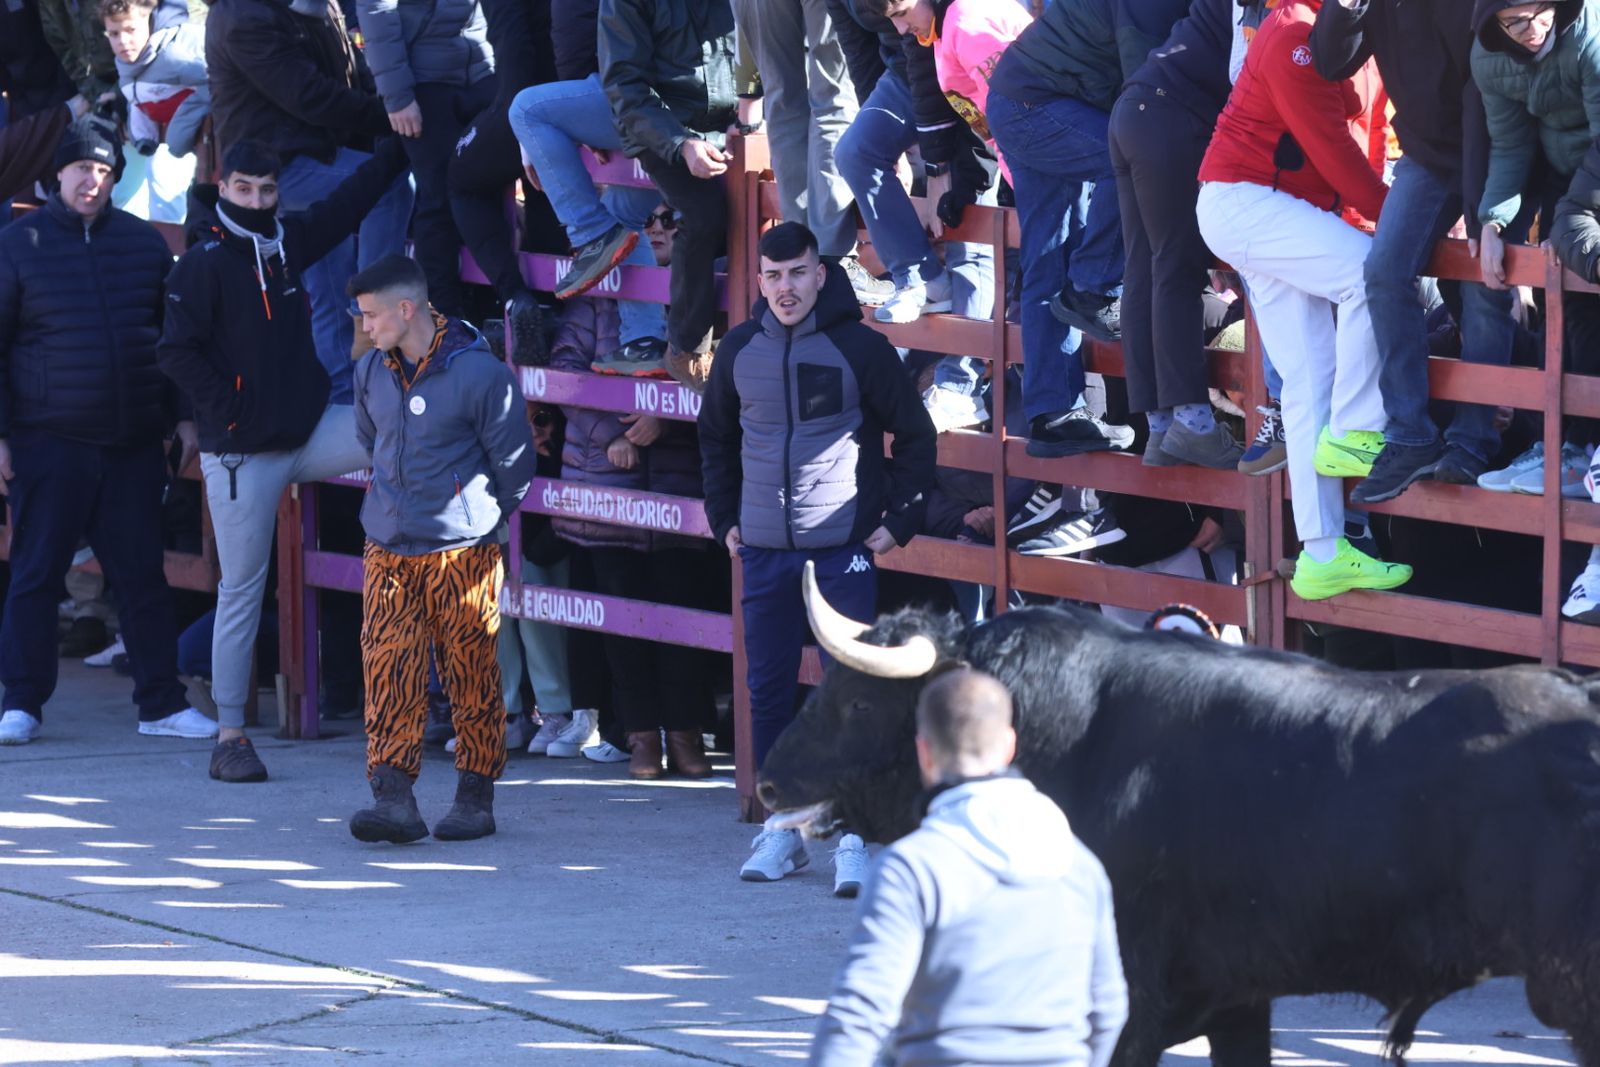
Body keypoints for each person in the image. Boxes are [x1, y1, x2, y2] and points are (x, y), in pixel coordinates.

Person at [157, 137, 409, 782]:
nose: (257, 200)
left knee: (405, 428)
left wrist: (398, 149)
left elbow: (347, 205)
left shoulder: (286, 241)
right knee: (242, 590)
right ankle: (231, 735)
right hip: (241, 454)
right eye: (244, 189)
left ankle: (433, 560)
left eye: (267, 190)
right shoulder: (201, 263)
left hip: (308, 432)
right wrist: (232, 413)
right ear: (222, 186)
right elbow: (175, 352)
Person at [700, 221, 936, 890]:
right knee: (768, 691)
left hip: (841, 550)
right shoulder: (738, 349)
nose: (786, 288)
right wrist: (724, 520)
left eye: (798, 273)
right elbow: (714, 439)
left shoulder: (862, 348)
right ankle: (785, 830)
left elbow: (916, 437)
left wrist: (900, 522)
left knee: (851, 695)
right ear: (759, 280)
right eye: (773, 276)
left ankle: (854, 836)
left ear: (820, 275)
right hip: (763, 551)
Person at [0, 118, 211, 746]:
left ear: (115, 177)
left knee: (142, 578)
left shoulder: (145, 245)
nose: (90, 180)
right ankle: (21, 703)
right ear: (57, 174)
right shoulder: (17, 244)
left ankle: (161, 704)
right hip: (47, 441)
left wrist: (182, 415)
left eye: (102, 170)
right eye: (80, 168)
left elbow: (173, 340)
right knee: (35, 576)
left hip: (131, 444)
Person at [1195, 0, 1413, 600]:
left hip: (1263, 205)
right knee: (1372, 274)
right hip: (1249, 201)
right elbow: (1331, 147)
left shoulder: (1332, 25)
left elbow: (1355, 129)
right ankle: (1355, 427)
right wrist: (1395, 220)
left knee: (1309, 377)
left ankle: (1321, 553)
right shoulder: (1294, 28)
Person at [809, 668, 1128, 1066]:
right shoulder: (1080, 865)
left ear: (924, 753)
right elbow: (1108, 1008)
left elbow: (860, 1012)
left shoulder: (910, 869)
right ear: (1009, 746)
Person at [345, 255, 535, 844]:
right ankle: (393, 797)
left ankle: (475, 795)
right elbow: (370, 440)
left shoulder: (480, 373)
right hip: (388, 546)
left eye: (371, 315)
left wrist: (476, 519)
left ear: (406, 309)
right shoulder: (371, 370)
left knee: (471, 671)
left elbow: (515, 466)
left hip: (463, 550)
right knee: (387, 667)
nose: (365, 327)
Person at [1308, 0, 1517, 503]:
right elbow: (1330, 62)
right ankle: (1410, 435)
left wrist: (1481, 212)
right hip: (1426, 155)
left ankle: (1472, 442)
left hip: (1497, 145)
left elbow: (1480, 94)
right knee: (1383, 272)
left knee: (1484, 286)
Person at [549, 208, 716, 779]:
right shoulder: (598, 294)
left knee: (684, 621)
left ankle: (687, 735)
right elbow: (565, 373)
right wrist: (613, 434)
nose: (660, 230)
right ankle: (640, 736)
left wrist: (665, 419)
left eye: (672, 219)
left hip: (679, 487)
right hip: (606, 490)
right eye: (647, 221)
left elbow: (716, 380)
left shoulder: (698, 296)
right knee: (622, 627)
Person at [205, 0, 413, 397]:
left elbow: (350, 72)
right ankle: (373, 307)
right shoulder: (242, 14)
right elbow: (309, 95)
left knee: (329, 289)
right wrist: (395, 117)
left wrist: (388, 104)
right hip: (277, 167)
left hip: (311, 153)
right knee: (386, 187)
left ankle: (342, 397)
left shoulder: (307, 5)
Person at [831, 0, 998, 432]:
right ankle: (920, 276)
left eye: (900, 14)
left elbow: (925, 45)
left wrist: (938, 166)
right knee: (856, 150)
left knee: (968, 224)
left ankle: (960, 387)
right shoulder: (904, 24)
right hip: (910, 75)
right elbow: (861, 50)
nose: (898, 25)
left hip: (969, 71)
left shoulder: (945, 20)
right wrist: (893, 144)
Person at [1466, 0, 1600, 496]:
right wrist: (1493, 220)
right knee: (1557, 302)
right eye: (1516, 21)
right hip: (1561, 175)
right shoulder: (1488, 56)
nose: (1533, 28)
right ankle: (1564, 445)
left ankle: (1584, 449)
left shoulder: (1588, 34)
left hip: (1592, 174)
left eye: (1542, 13)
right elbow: (1510, 143)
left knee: (1586, 295)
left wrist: (1570, 217)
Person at [599, 0, 738, 390]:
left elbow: (763, 48)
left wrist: (749, 115)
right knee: (704, 214)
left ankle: (760, 339)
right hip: (663, 127)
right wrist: (680, 143)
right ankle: (686, 347)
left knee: (769, 213)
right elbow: (625, 86)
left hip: (738, 118)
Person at [359, 0, 494, 318]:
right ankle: (443, 316)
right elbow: (376, 9)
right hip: (423, 81)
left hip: (480, 73)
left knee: (485, 192)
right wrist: (398, 97)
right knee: (438, 198)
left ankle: (486, 308)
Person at [101, 0, 209, 159]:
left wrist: (181, 130)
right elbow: (138, 96)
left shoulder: (173, 57)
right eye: (114, 34)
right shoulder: (125, 63)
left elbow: (214, 83)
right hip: (161, 139)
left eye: (131, 30)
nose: (122, 41)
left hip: (203, 142)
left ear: (149, 22)